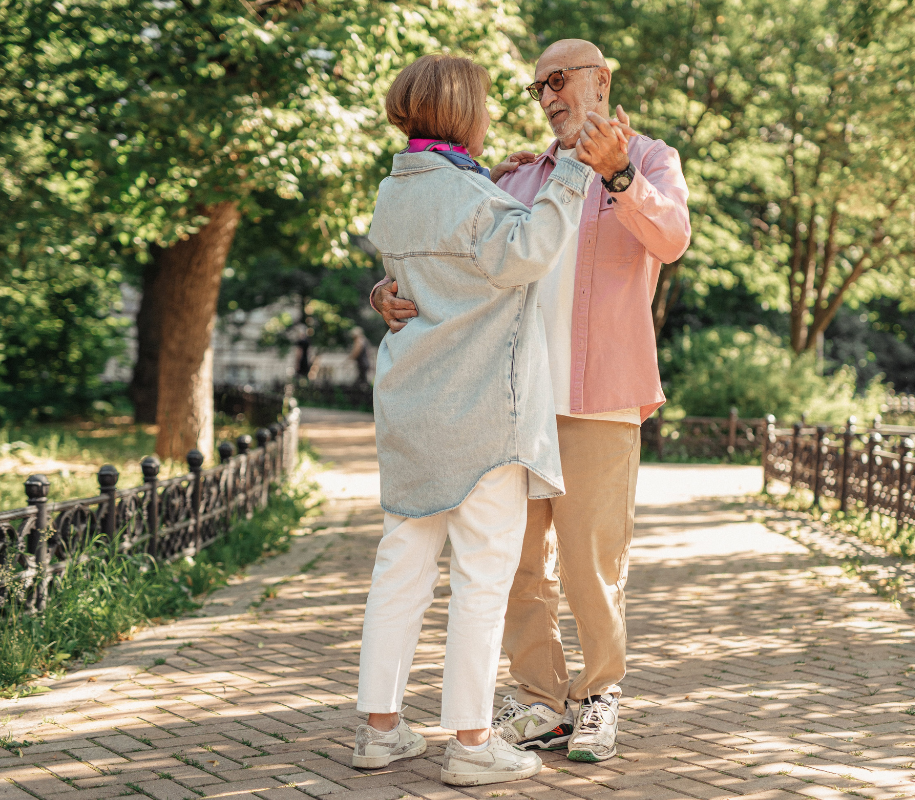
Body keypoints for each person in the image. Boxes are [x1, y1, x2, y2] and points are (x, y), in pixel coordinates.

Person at [372, 39, 691, 763]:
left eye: (560, 80)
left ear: (601, 82)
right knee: (517, 561)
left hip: (603, 394)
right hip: (512, 397)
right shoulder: (514, 176)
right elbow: (455, 255)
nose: (548, 96)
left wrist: (617, 178)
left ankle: (599, 695)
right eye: (537, 87)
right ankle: (539, 701)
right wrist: (388, 291)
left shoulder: (651, 160)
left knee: (591, 562)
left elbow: (671, 239)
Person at [353, 53, 597, 787]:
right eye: (485, 104)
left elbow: (434, 265)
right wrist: (571, 174)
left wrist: (489, 185)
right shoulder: (472, 199)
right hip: (481, 416)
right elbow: (526, 254)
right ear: (464, 112)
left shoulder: (396, 194)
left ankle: (379, 731)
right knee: (482, 580)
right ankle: (470, 744)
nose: (492, 114)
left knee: (400, 570)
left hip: (410, 412)